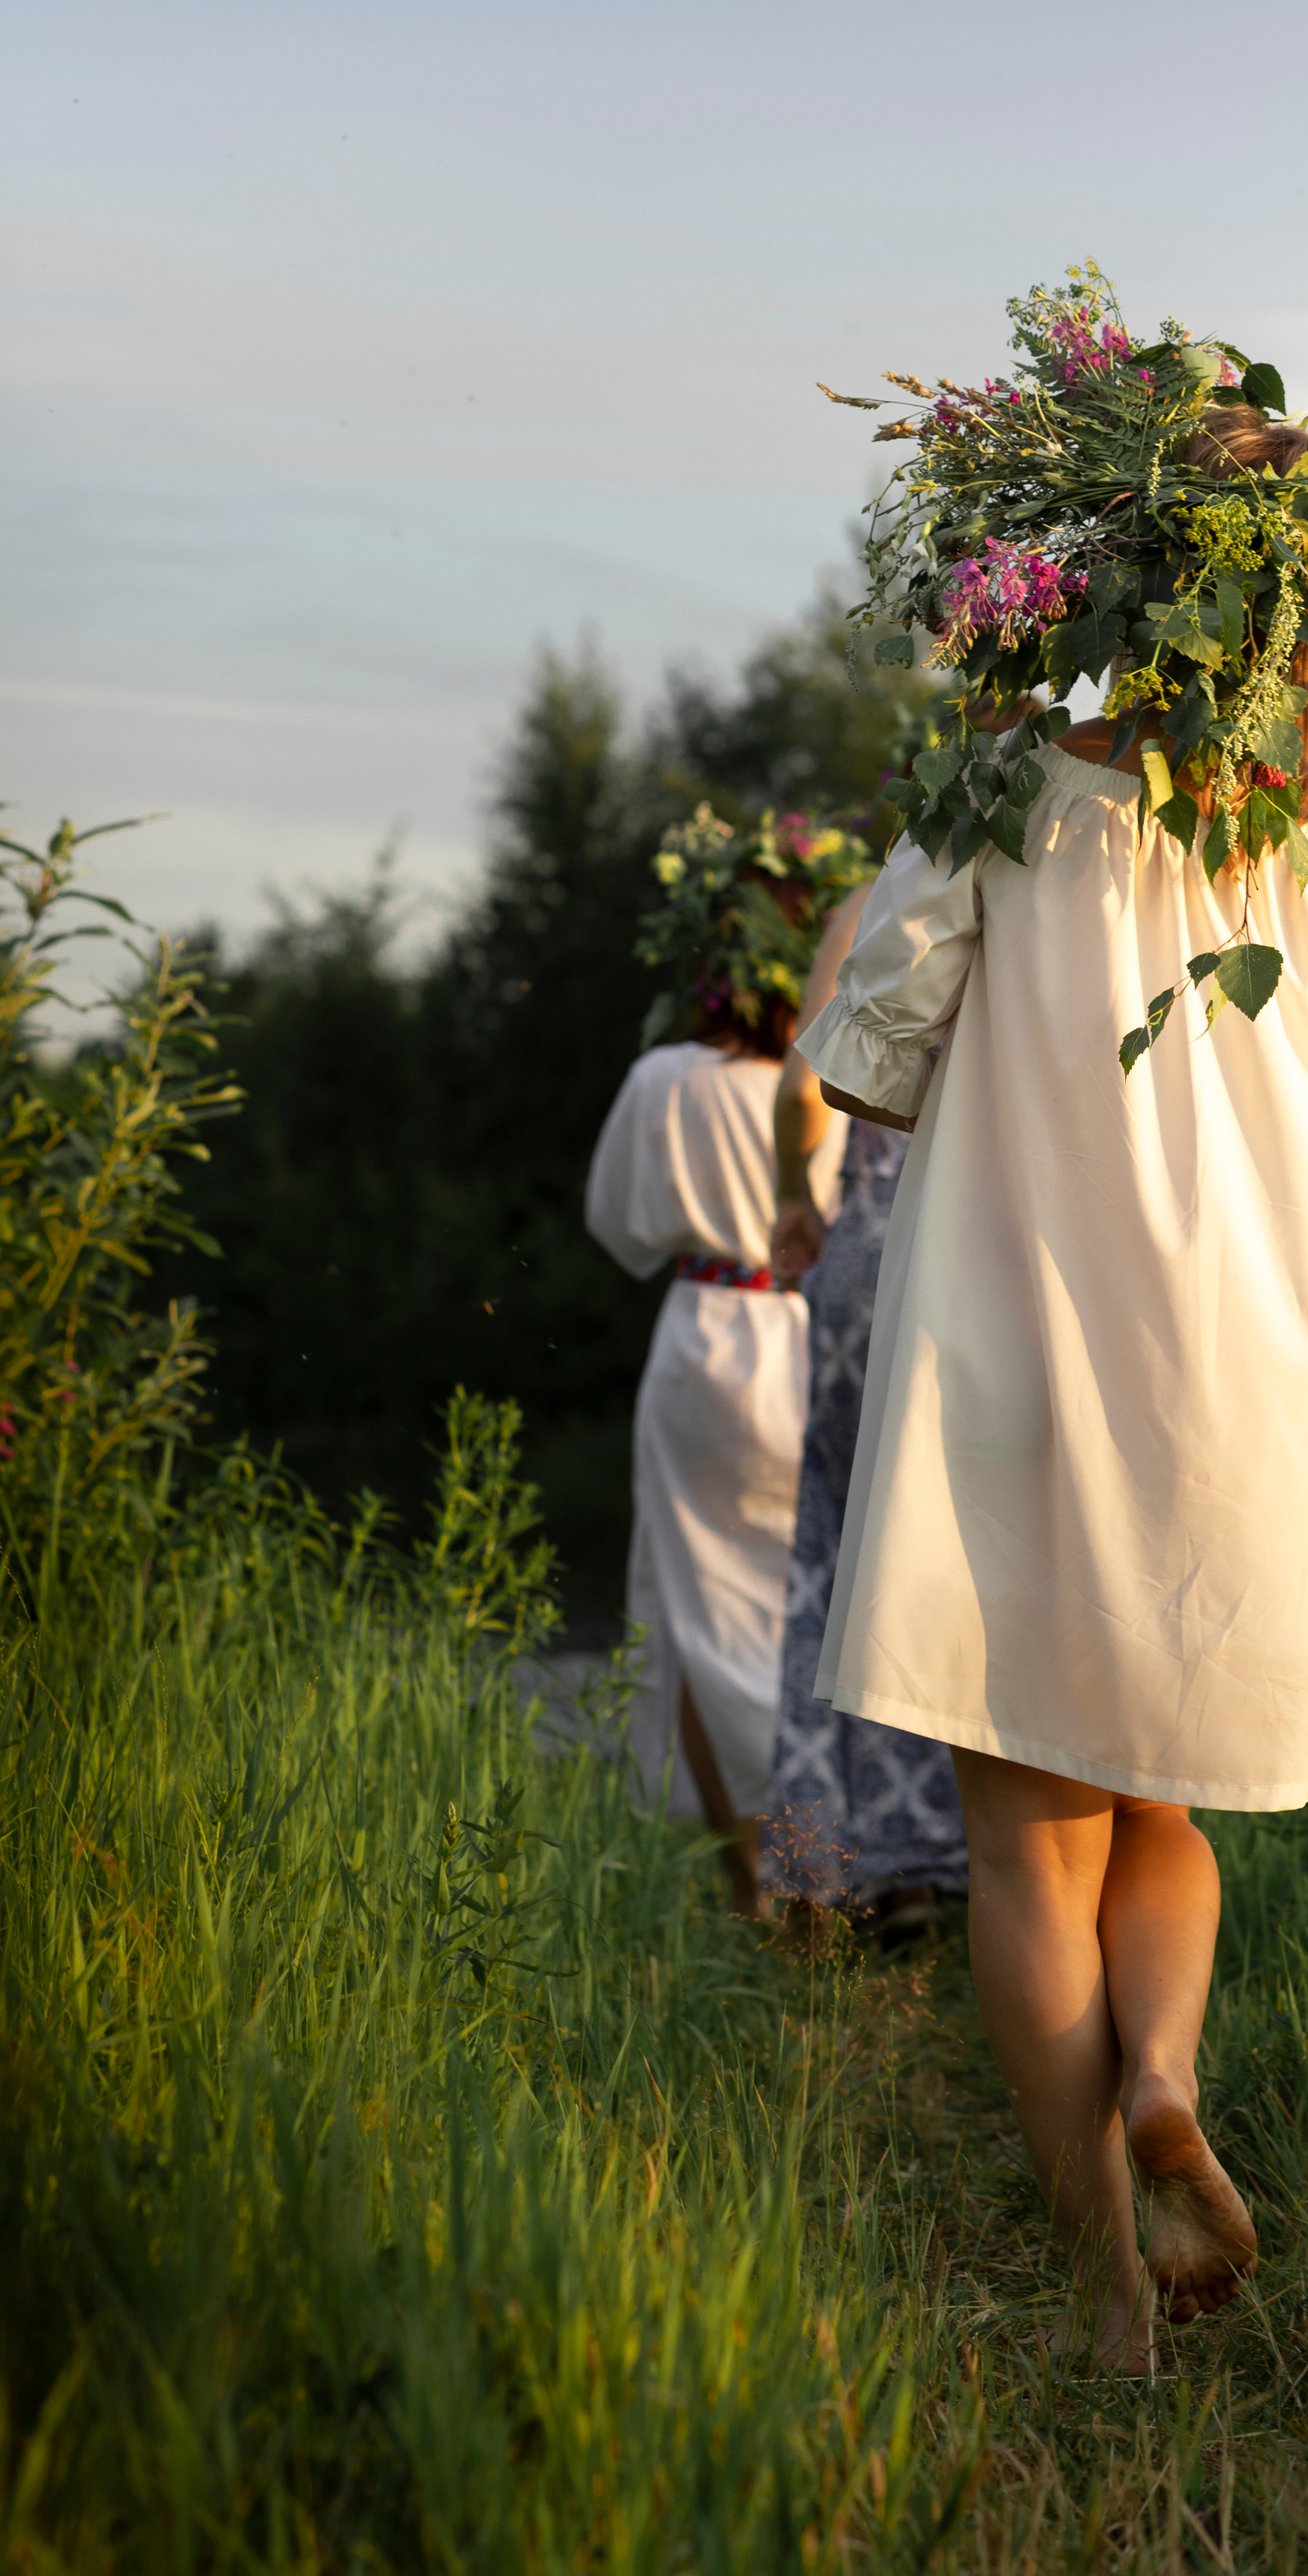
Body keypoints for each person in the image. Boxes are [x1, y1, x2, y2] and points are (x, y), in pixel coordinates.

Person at [794, 440, 1308, 2364]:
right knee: (1157, 1786)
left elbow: (860, 1068)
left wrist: (984, 751)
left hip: (1025, 1337)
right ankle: (1159, 2074)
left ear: (1106, 587)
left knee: (1026, 1831)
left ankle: (1101, 2291)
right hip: (1254, 1373)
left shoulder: (1016, 793)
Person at [585, 808, 867, 1913]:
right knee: (823, 1609)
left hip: (705, 1337)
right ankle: (830, 1873)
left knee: (698, 1612)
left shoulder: (665, 1079)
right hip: (818, 1337)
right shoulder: (846, 1071)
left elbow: (619, 1224)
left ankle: (757, 1878)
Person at [763, 883, 969, 1933]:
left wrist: (794, 1197)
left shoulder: (883, 899)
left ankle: (829, 1861)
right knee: (959, 1550)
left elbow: (807, 1089)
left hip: (872, 1249)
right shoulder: (1061, 885)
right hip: (977, 1253)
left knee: (841, 1549)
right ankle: (956, 1858)